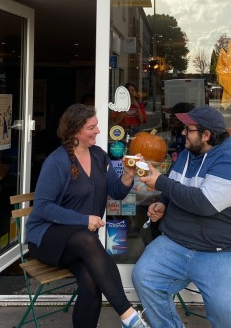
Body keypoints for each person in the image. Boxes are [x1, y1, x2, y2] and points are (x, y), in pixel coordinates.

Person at [132, 105, 231, 328]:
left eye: (188, 129)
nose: (182, 133)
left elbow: (203, 203)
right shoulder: (187, 155)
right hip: (179, 242)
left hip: (227, 249)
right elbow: (176, 188)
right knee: (145, 278)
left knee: (228, 314)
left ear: (206, 135)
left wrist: (160, 182)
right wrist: (164, 202)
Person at [25, 104, 149, 328]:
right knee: (87, 239)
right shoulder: (57, 161)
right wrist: (84, 220)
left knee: (91, 285)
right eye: (92, 127)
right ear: (75, 131)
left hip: (81, 243)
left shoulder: (99, 156)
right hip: (46, 238)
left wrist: (129, 176)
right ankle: (129, 315)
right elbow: (42, 207)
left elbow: (117, 192)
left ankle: (128, 317)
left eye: (97, 125)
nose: (98, 131)